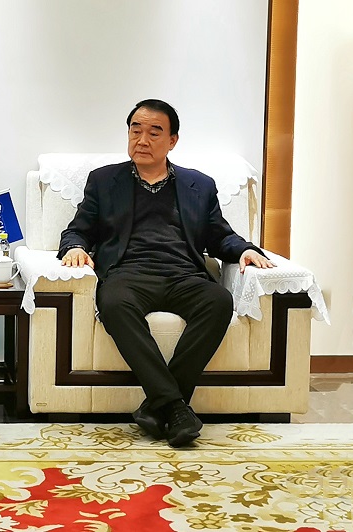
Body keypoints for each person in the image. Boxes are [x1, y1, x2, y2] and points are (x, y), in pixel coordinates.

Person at [58, 99, 274, 447]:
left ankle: (159, 406)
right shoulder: (104, 181)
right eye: (135, 130)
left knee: (218, 301)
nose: (142, 140)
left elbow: (220, 236)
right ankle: (175, 407)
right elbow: (78, 230)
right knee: (113, 303)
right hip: (128, 275)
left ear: (172, 140)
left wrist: (245, 250)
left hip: (184, 275)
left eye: (154, 132)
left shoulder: (199, 185)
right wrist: (74, 248)